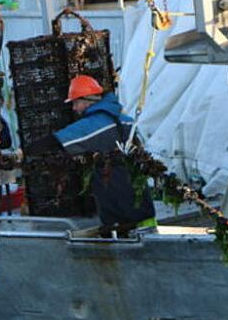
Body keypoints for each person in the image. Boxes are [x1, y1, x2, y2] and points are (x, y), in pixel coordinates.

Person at [24, 74, 156, 234]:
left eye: (75, 102)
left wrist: (20, 153)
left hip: (117, 202)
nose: (74, 108)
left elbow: (55, 140)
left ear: (87, 99)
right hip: (142, 202)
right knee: (146, 238)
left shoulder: (93, 125)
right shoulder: (127, 120)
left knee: (121, 238)